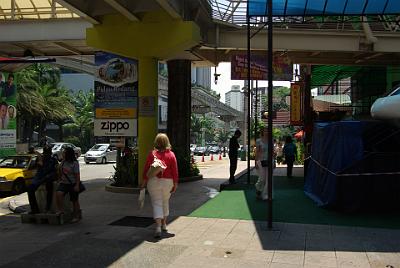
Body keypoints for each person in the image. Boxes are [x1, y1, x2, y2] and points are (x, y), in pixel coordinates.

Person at [141, 133, 178, 239]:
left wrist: (143, 183)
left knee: (157, 203)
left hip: (153, 181)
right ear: (167, 142)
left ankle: (157, 227)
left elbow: (146, 171)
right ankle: (164, 225)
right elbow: (175, 171)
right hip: (168, 182)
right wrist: (175, 183)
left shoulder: (152, 154)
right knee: (165, 201)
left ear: (156, 142)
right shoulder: (171, 155)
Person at [27, 146, 58, 214]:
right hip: (39, 177)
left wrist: (49, 176)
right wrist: (38, 162)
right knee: (30, 189)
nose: (46, 155)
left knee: (49, 187)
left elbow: (55, 171)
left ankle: (48, 208)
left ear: (50, 154)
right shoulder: (40, 159)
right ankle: (34, 209)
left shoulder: (53, 160)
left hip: (48, 178)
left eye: (48, 154)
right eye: (45, 154)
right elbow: (32, 167)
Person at [56, 146, 82, 223]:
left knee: (74, 200)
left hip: (73, 183)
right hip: (64, 183)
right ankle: (61, 210)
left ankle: (76, 216)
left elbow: (77, 175)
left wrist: (77, 185)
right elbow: (60, 171)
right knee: (58, 194)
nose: (63, 154)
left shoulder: (74, 163)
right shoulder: (63, 162)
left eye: (64, 152)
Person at [254, 127, 273, 200]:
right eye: (265, 130)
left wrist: (274, 161)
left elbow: (272, 152)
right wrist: (256, 162)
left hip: (269, 160)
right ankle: (258, 190)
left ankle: (266, 194)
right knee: (262, 178)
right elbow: (257, 152)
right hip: (261, 161)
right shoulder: (258, 141)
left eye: (268, 130)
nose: (266, 132)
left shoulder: (271, 140)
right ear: (262, 132)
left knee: (269, 179)